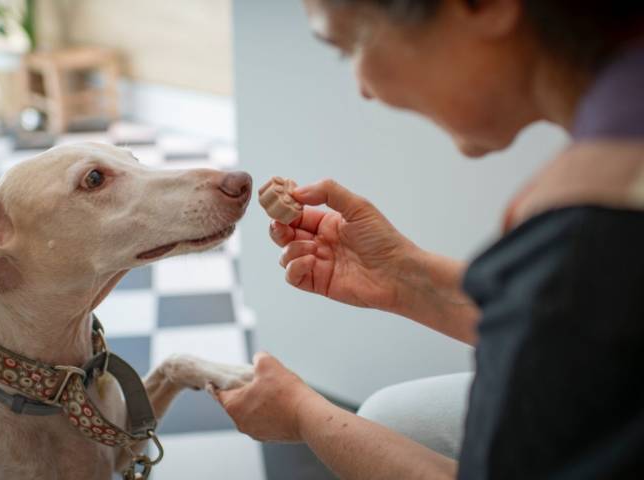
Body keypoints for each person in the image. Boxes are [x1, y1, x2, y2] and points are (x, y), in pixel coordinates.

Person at [210, 0, 644, 478]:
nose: (363, 87)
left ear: (485, 7)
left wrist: (301, 414)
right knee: (395, 417)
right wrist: (401, 275)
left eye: (353, 42)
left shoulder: (587, 233)